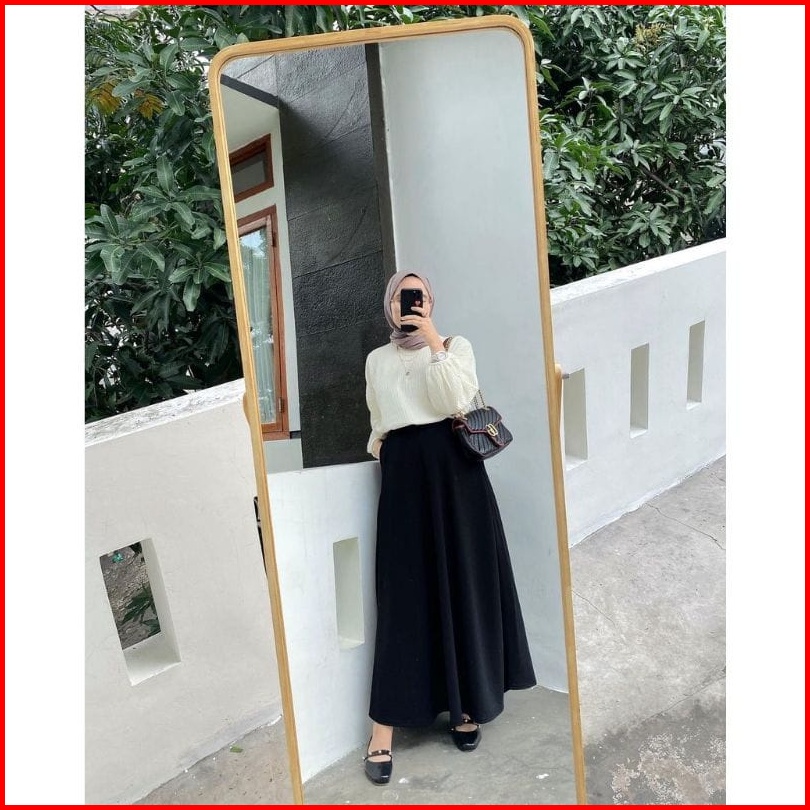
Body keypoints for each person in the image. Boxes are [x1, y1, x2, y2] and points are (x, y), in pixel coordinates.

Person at [362, 270, 537, 786]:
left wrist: (435, 341)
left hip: (456, 477)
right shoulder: (376, 360)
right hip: (403, 479)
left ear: (431, 302)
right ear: (389, 304)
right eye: (402, 296)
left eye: (418, 296)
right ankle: (382, 728)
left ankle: (464, 706)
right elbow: (378, 417)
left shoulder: (456, 346)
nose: (409, 303)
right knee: (402, 596)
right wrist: (386, 454)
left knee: (462, 585)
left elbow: (456, 402)